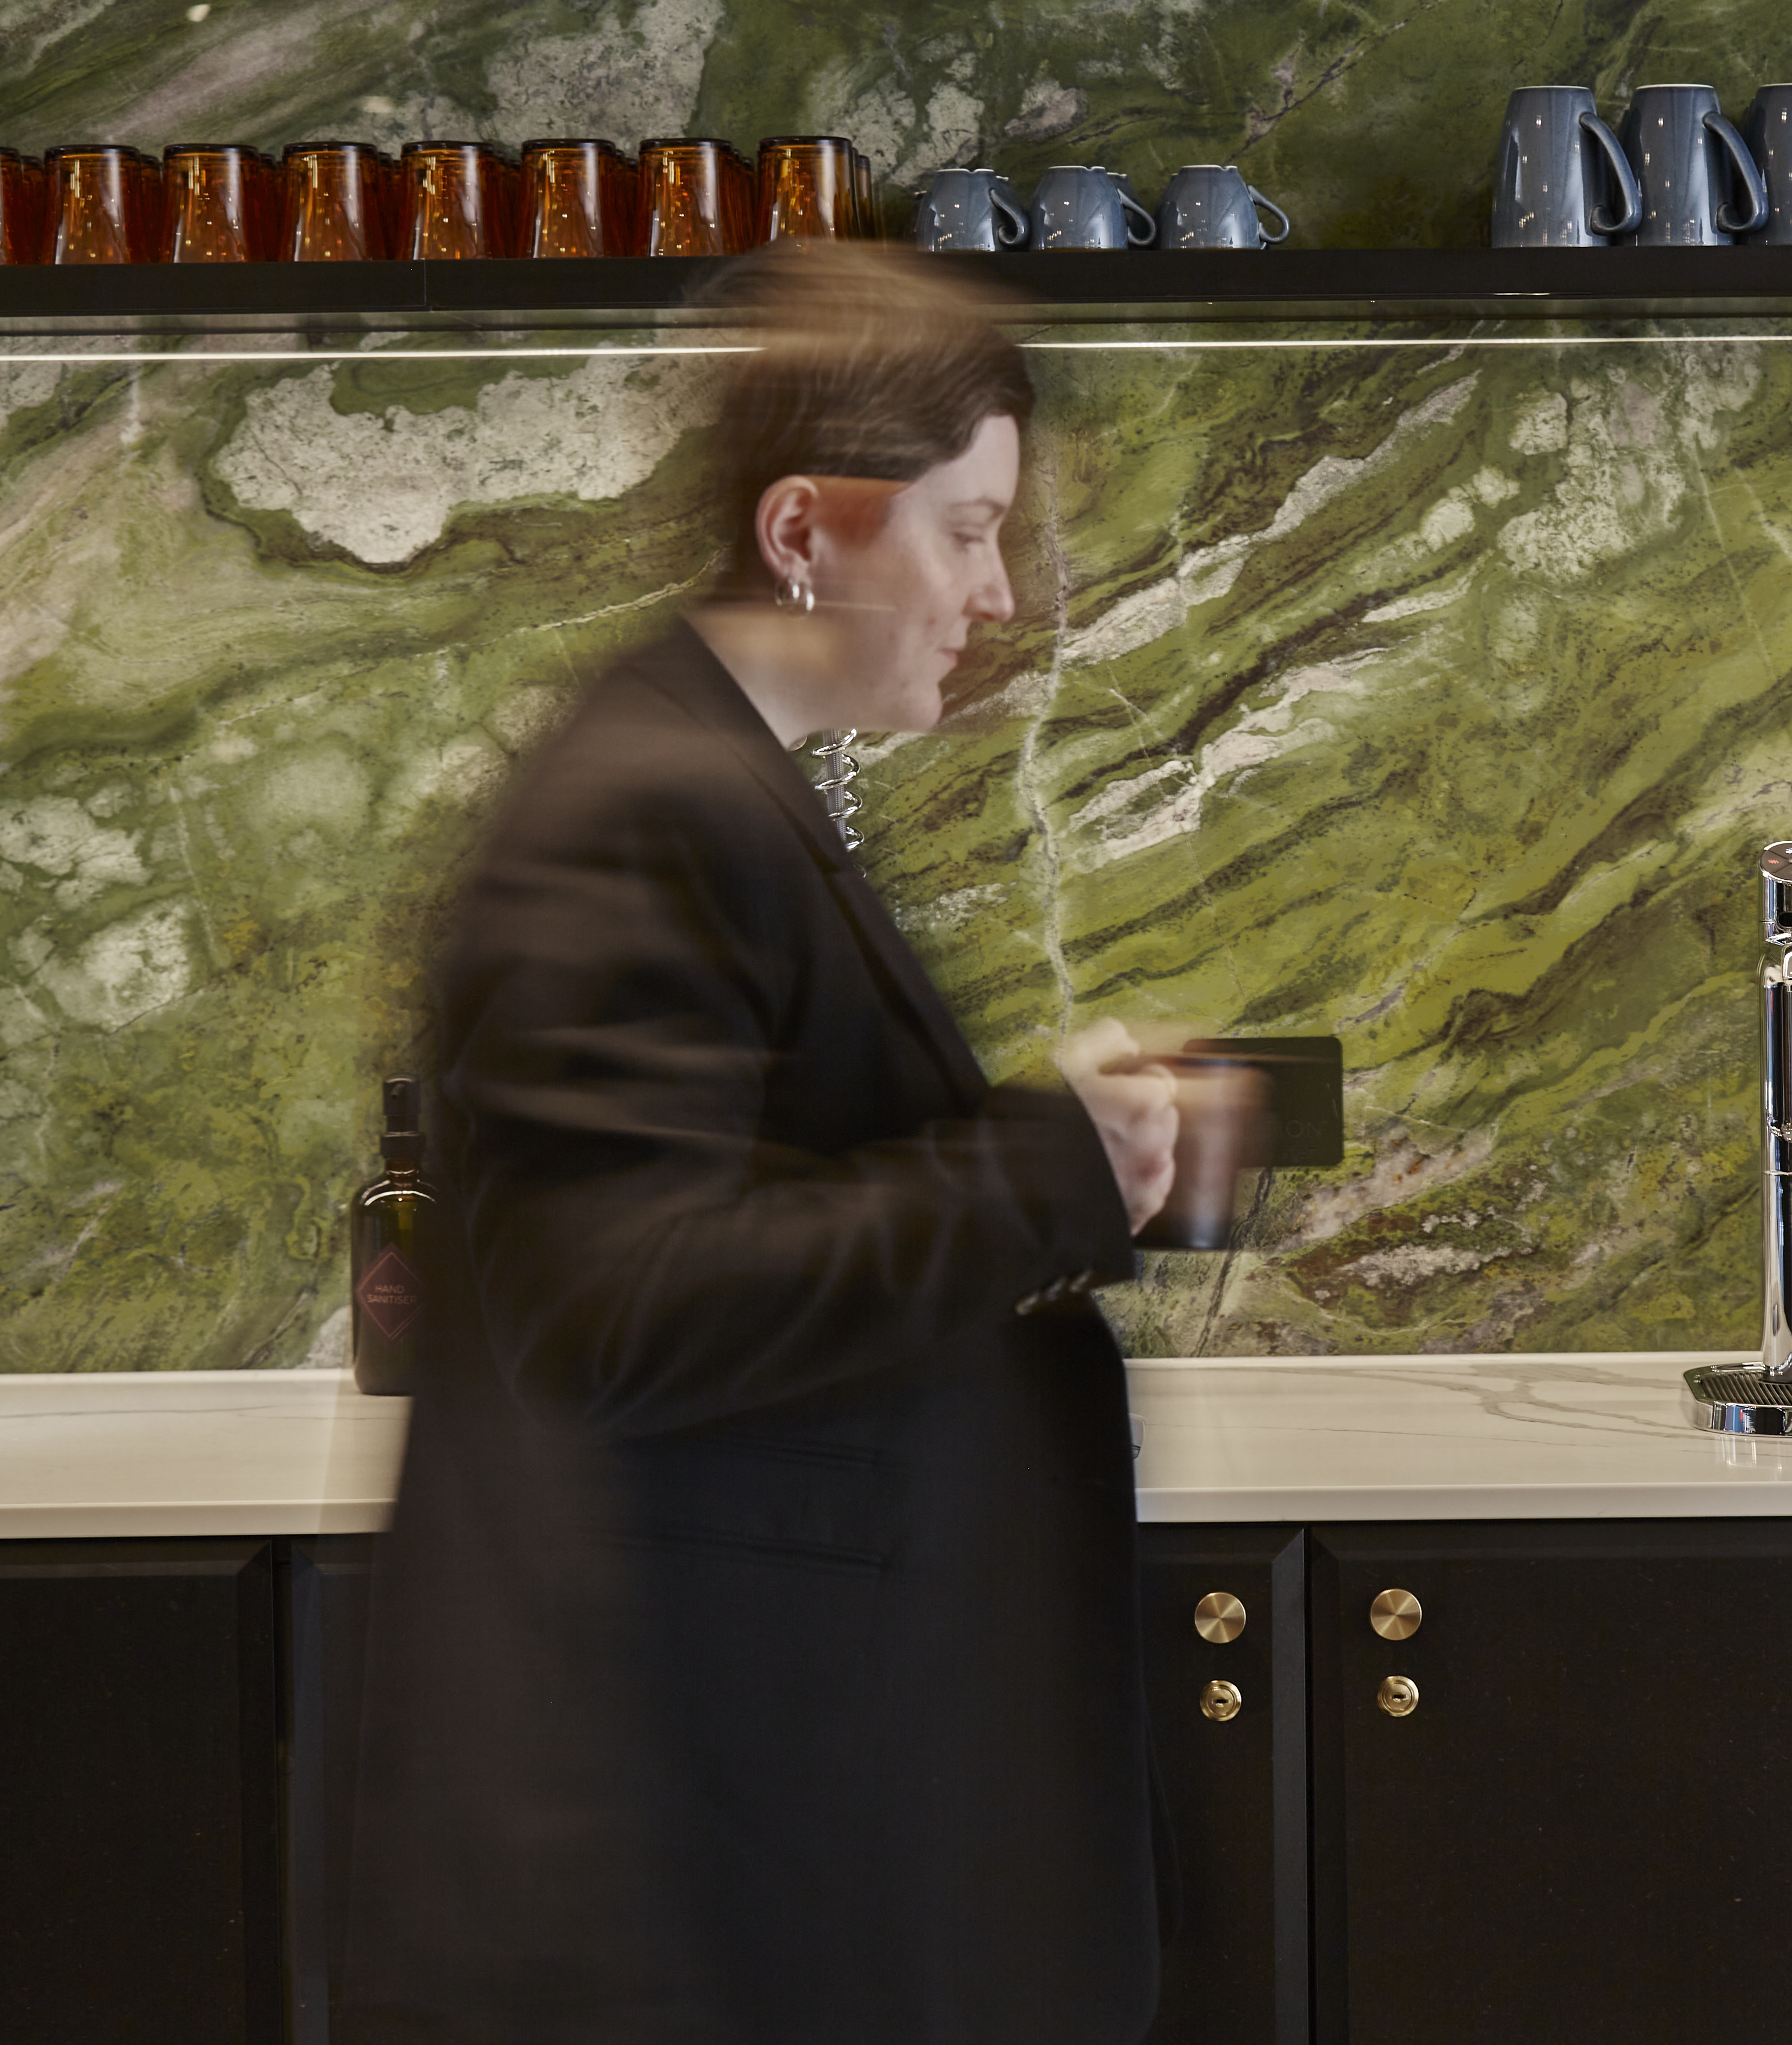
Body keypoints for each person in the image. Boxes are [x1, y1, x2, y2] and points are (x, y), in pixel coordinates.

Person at [345, 246, 1207, 2044]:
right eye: (968, 531)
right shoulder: (648, 806)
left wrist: (1070, 1163)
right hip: (674, 1848)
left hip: (747, 1809)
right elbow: (627, 1307)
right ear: (806, 527)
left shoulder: (718, 781)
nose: (1001, 591)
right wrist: (1043, 1171)